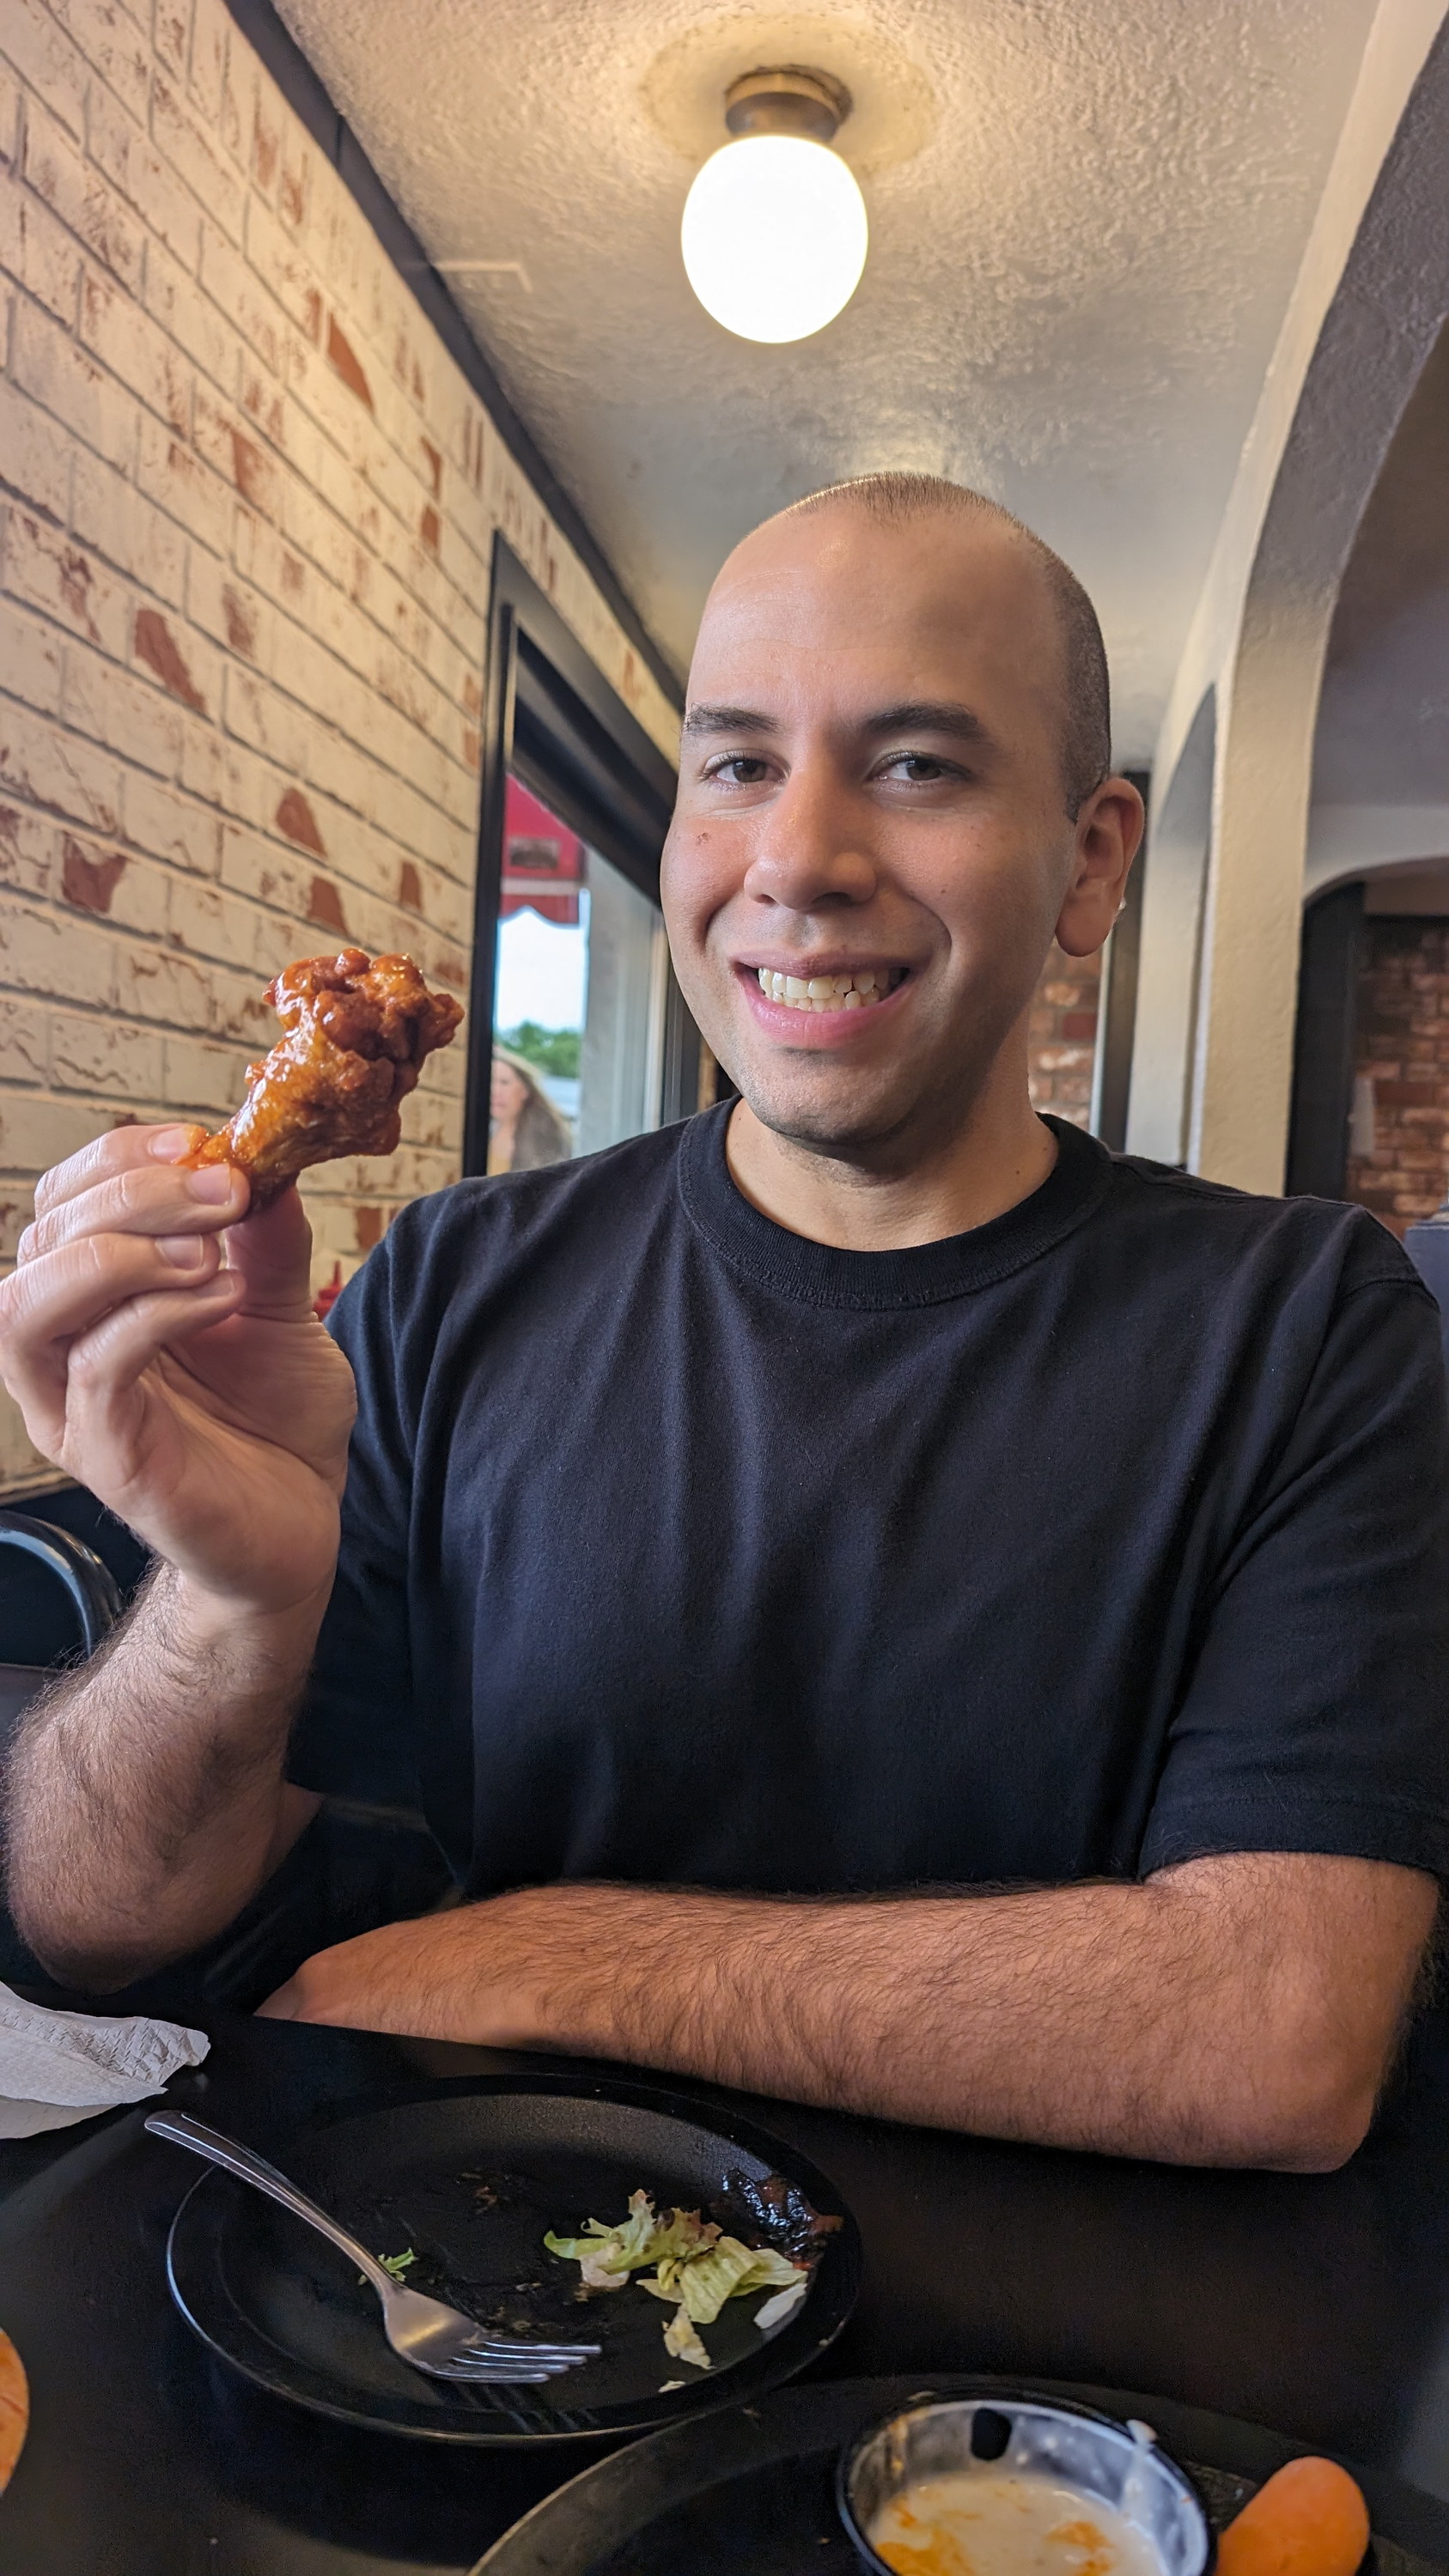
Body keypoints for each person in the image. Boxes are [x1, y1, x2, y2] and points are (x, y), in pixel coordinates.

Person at [3, 474, 1446, 2175]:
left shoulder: (1309, 1329)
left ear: (1092, 860)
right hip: (467, 2342)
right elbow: (90, 1927)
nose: (799, 860)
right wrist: (232, 1602)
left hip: (1035, 2411)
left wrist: (543, 1959)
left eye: (916, 764)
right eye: (739, 765)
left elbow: (1276, 2034)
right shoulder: (452, 1287)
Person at [487, 1047, 572, 1173]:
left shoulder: (545, 1138)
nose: (495, 1091)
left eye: (504, 1082)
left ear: (525, 1090)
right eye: (490, 1082)